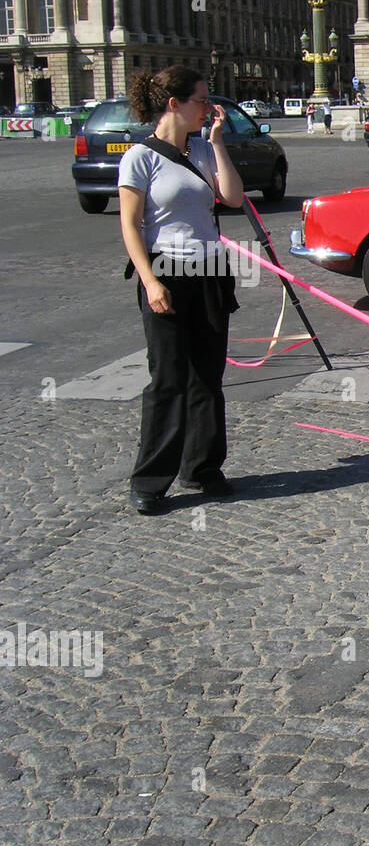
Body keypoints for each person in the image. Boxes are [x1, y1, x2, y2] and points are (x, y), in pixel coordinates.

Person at [117, 66, 244, 515]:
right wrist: (151, 282)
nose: (209, 107)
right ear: (174, 104)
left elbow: (232, 197)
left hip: (210, 271)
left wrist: (216, 142)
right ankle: (151, 480)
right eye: (202, 100)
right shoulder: (139, 158)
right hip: (165, 271)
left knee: (207, 378)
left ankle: (203, 468)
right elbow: (130, 227)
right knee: (168, 379)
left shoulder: (202, 150)